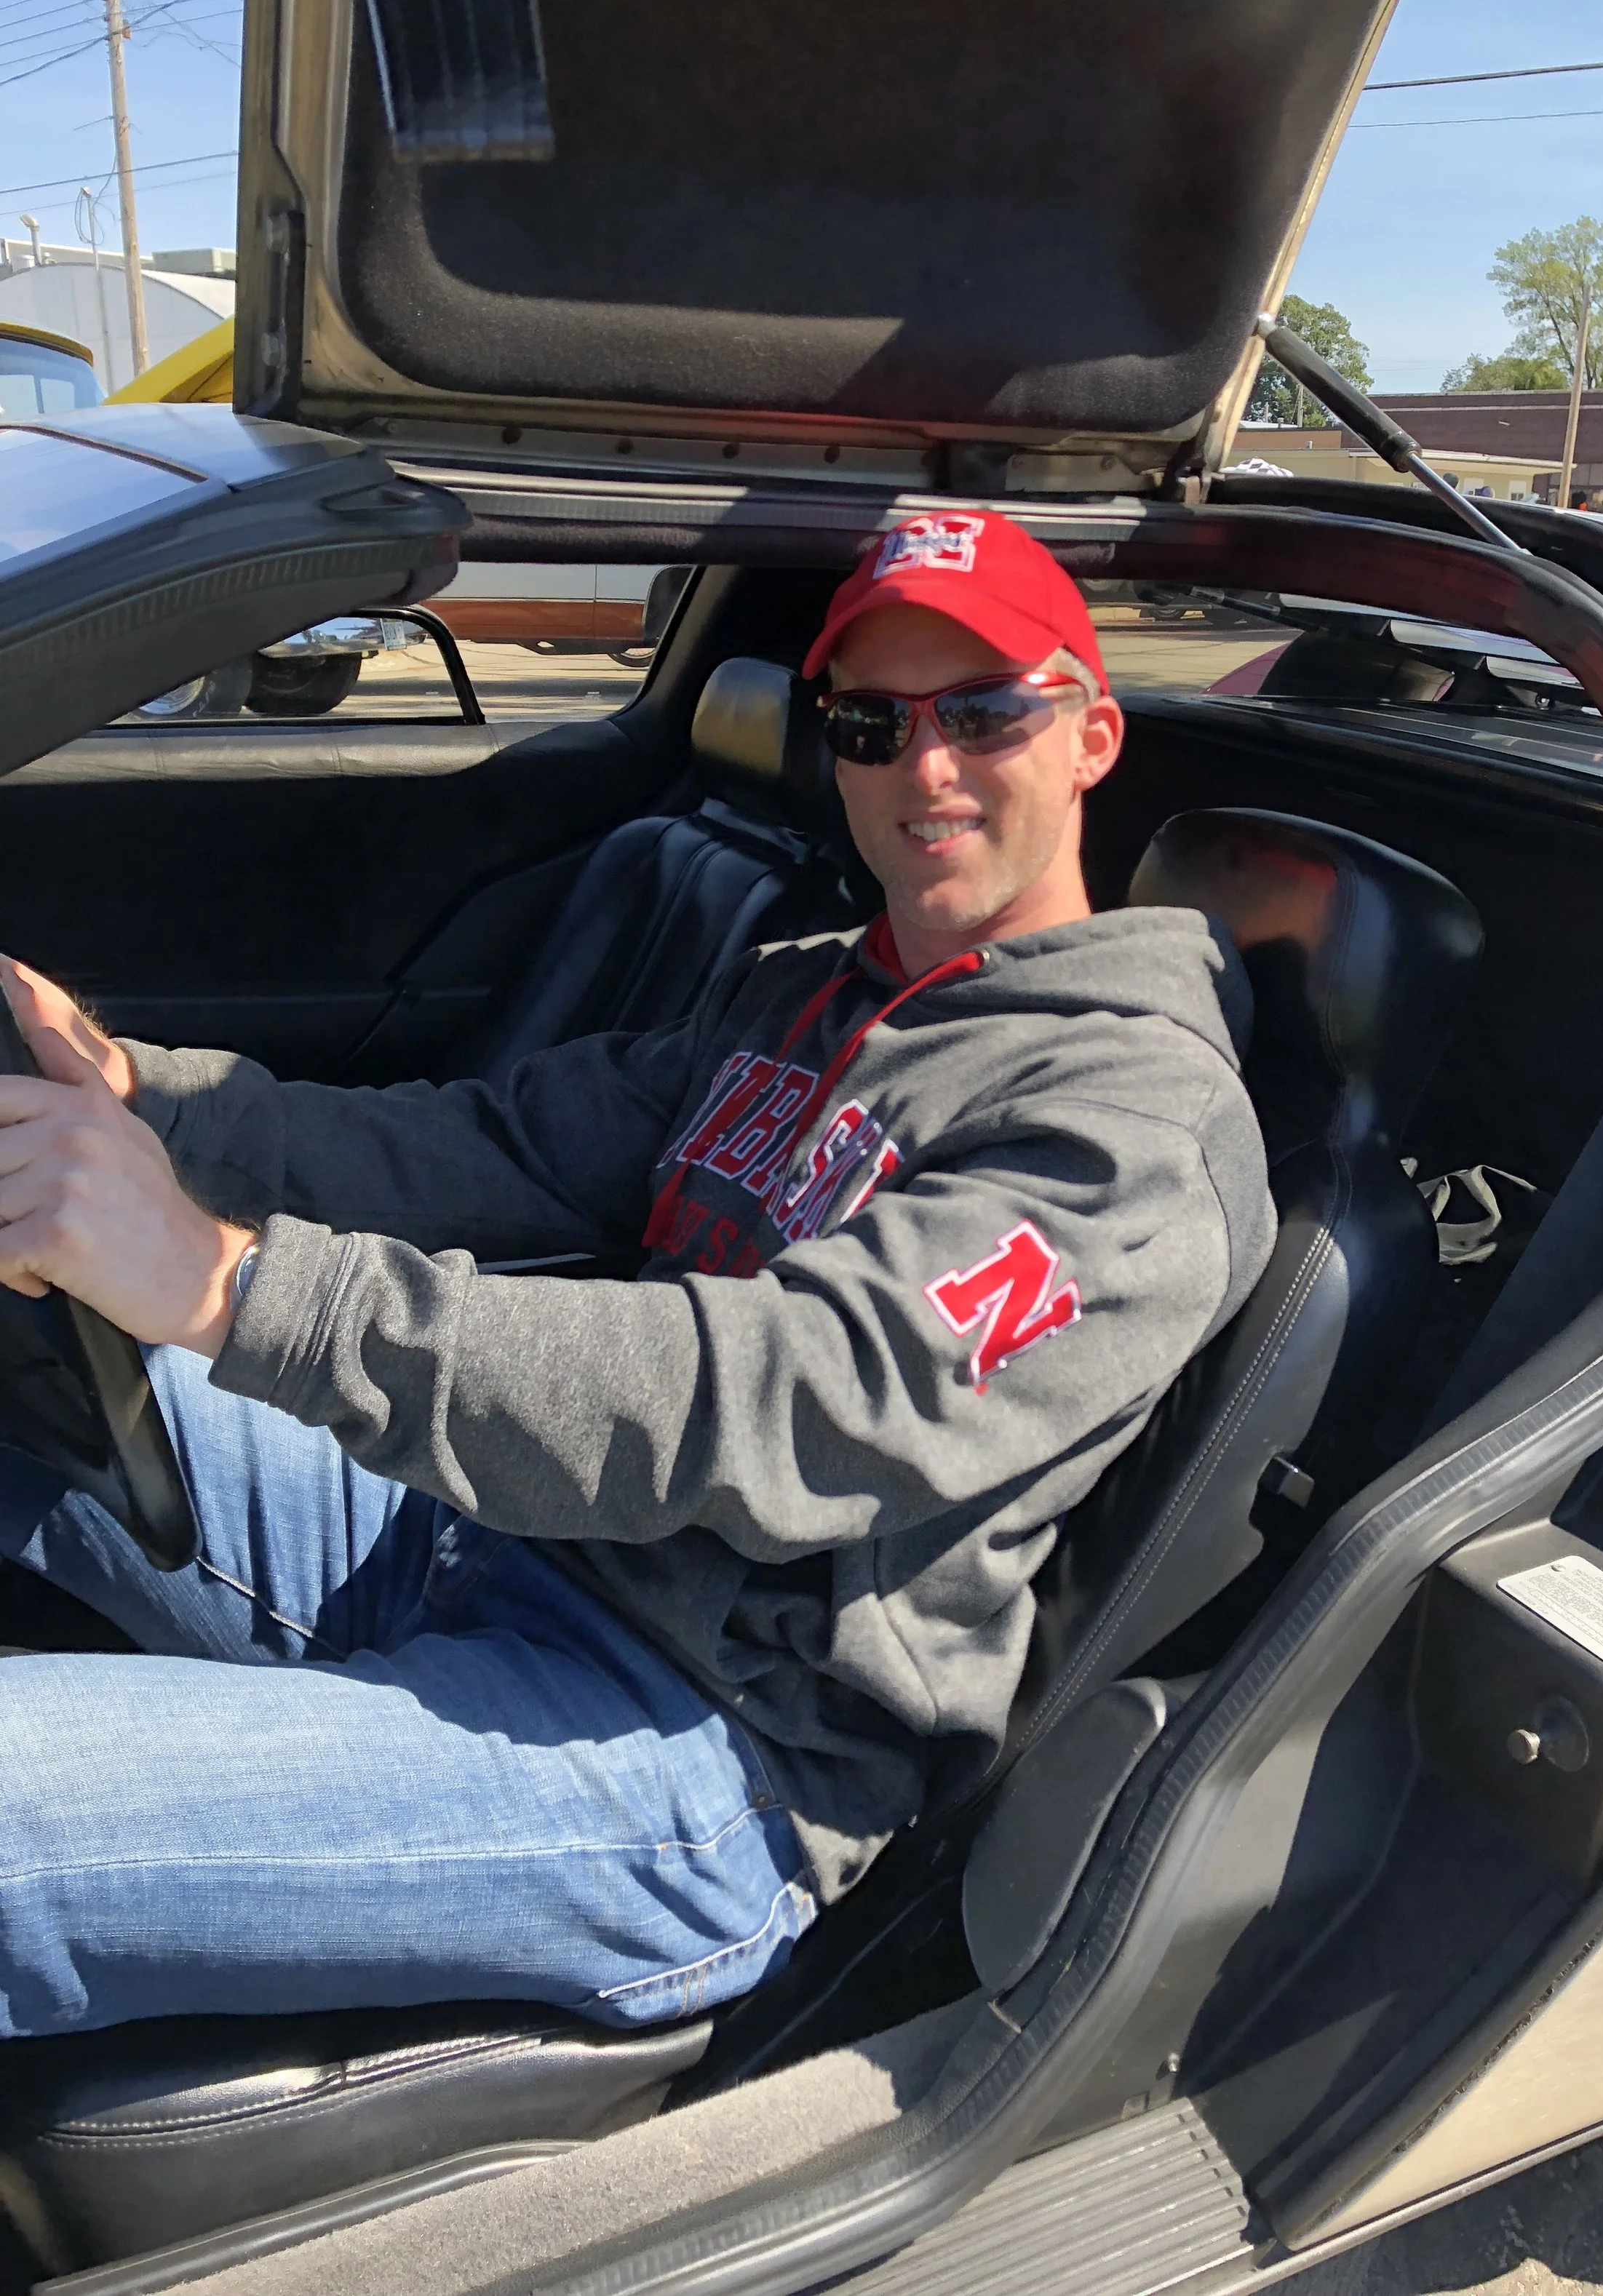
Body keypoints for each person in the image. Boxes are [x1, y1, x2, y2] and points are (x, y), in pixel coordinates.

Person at [0, 511, 1273, 2040]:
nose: (923, 768)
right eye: (872, 724)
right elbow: (497, 1145)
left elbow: (766, 1400)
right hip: (506, 1542)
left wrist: (225, 1284)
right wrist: (148, 1095)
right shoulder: (810, 991)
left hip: (702, 1756)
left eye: (984, 711)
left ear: (1090, 733)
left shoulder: (1128, 1129)